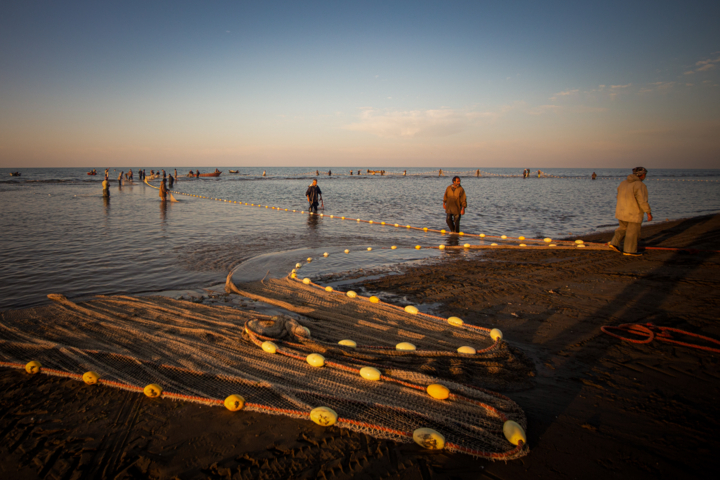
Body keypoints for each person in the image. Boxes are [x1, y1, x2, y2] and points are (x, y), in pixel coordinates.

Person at [608, 167, 652, 256]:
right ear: (642, 175)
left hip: (621, 211)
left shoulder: (623, 183)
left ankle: (614, 243)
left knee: (622, 228)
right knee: (632, 232)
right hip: (633, 212)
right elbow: (642, 200)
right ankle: (629, 250)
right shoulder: (640, 185)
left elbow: (618, 196)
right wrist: (648, 212)